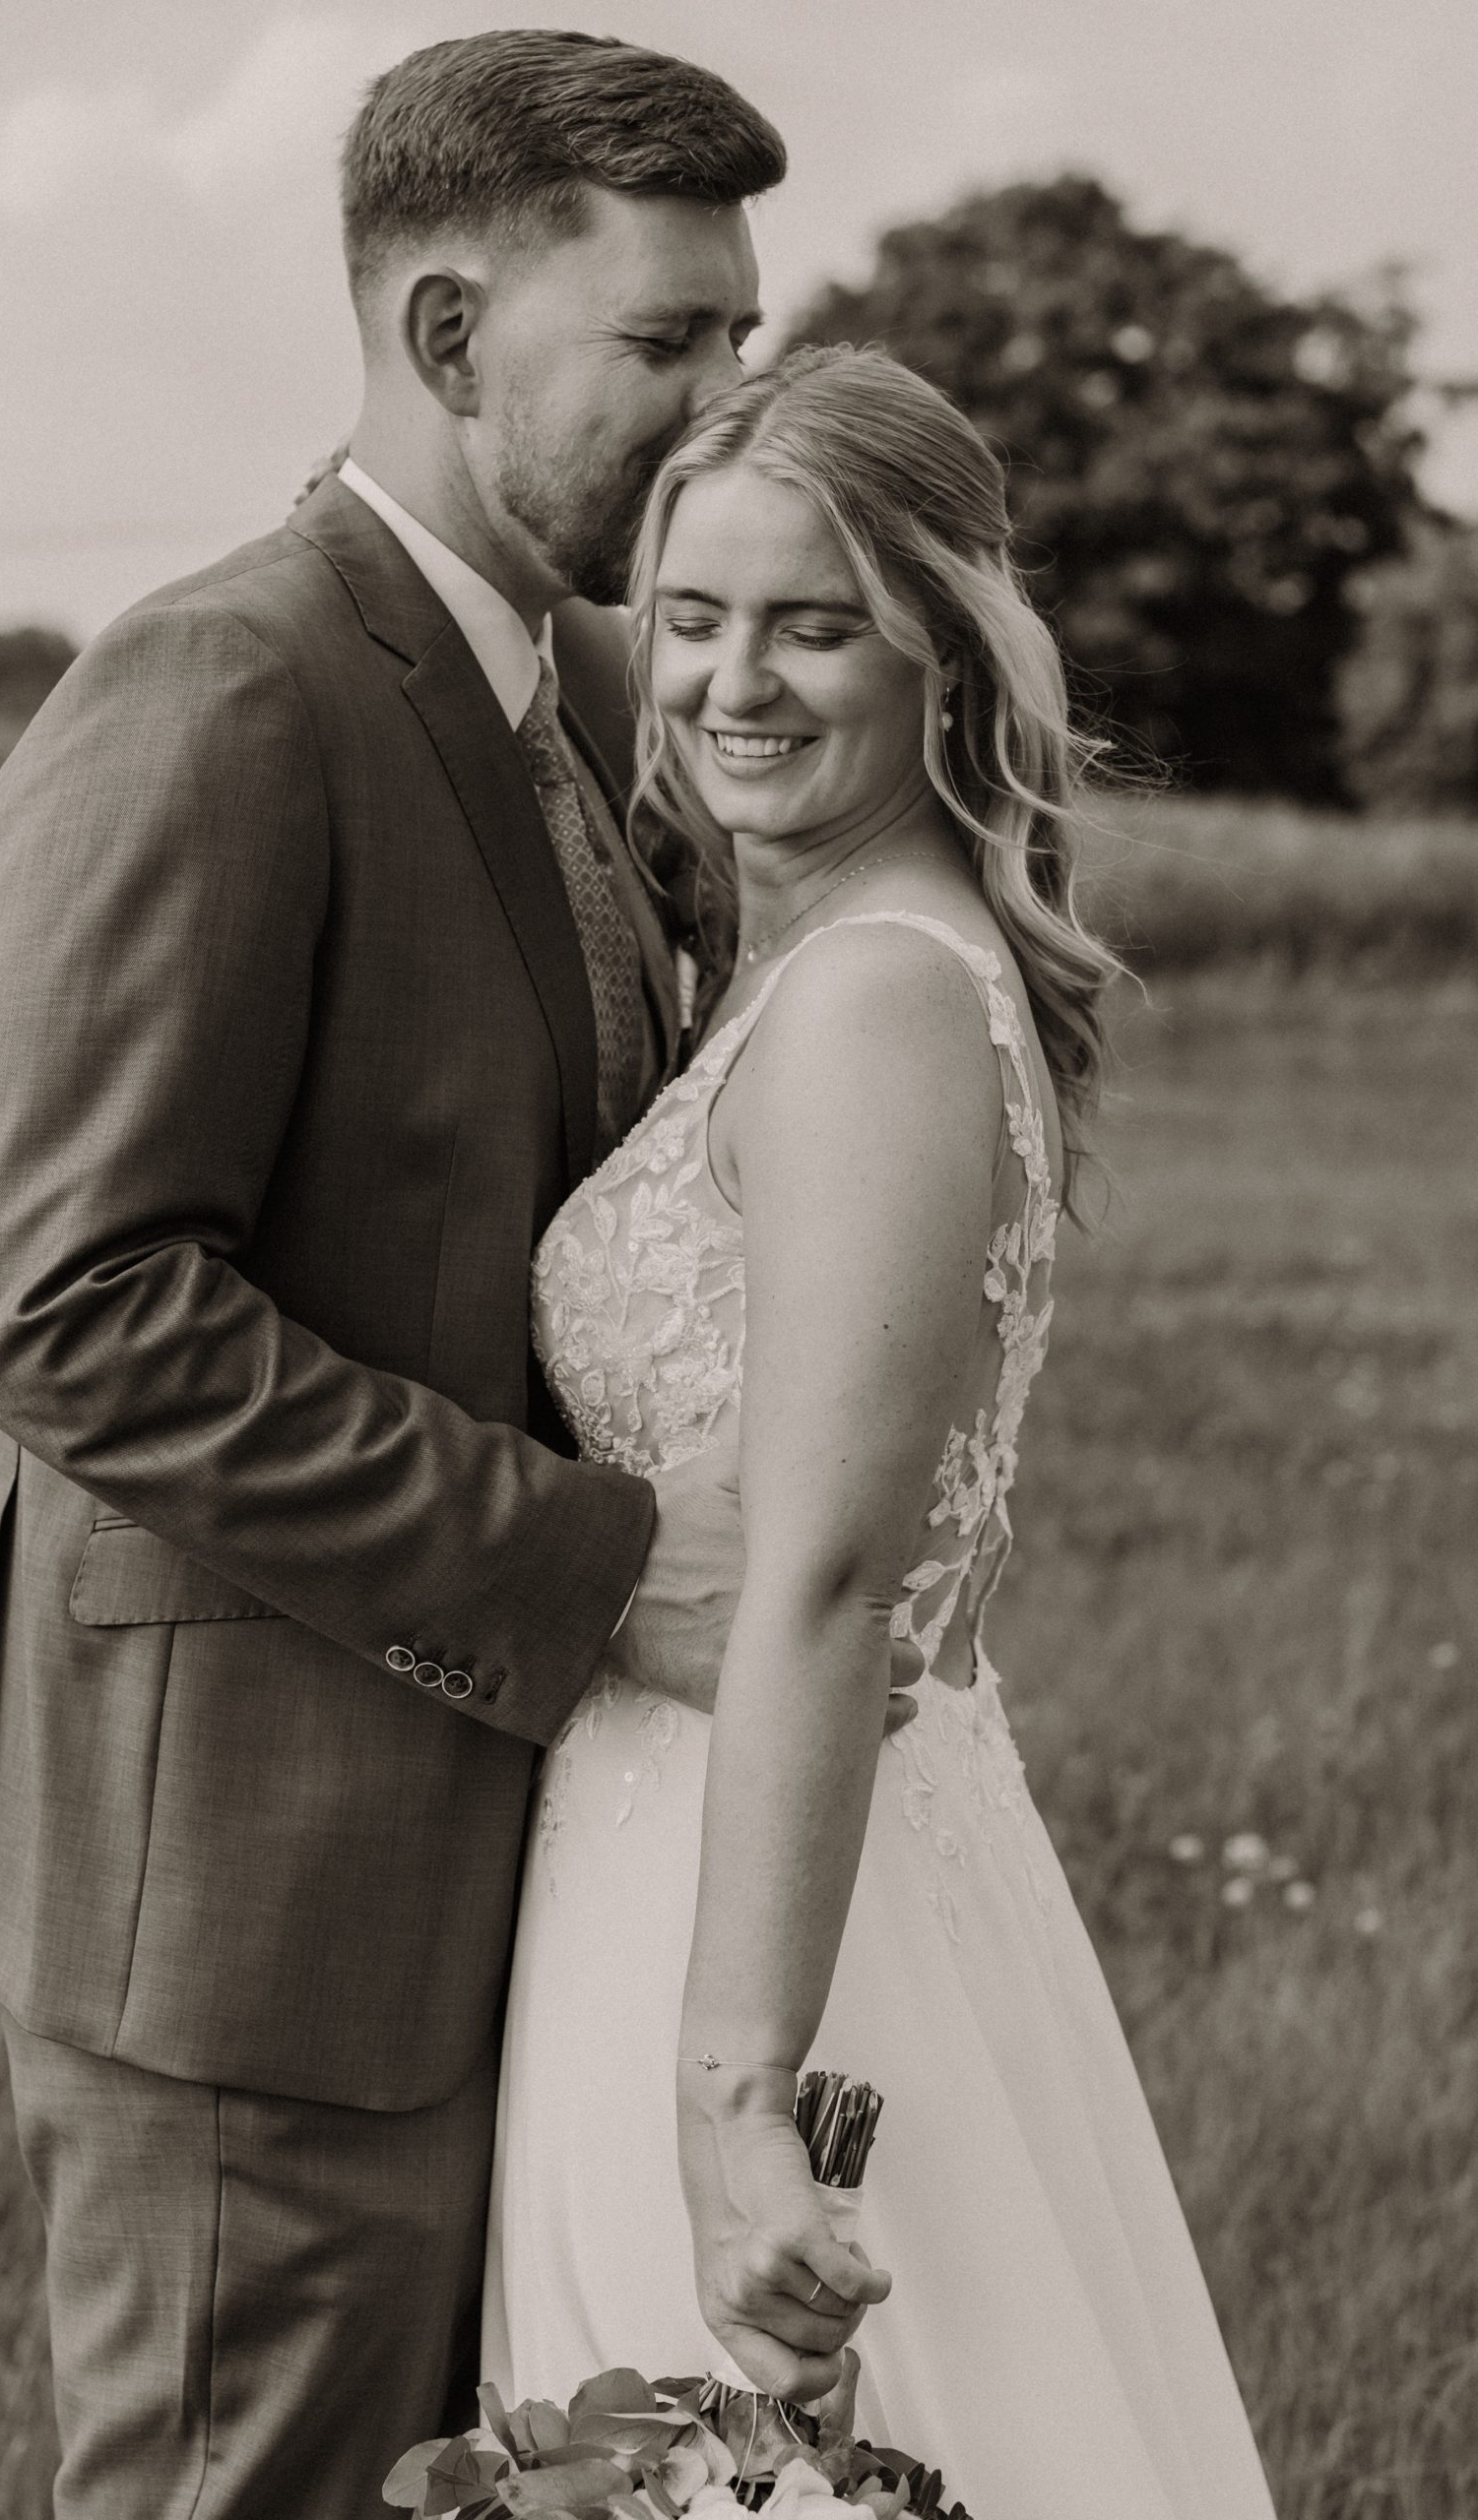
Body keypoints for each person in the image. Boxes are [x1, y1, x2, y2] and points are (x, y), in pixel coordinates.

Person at [0, 32, 812, 2520]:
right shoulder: (218, 689)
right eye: (664, 343)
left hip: (496, 1865)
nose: (726, 404)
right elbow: (71, 1303)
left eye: (743, 337)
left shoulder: (585, 689)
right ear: (445, 334)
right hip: (249, 1907)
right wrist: (596, 1561)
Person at [484, 346, 1280, 2520]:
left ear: (944, 646)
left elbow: (824, 1580)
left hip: (760, 1912)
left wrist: (739, 2099)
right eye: (695, 615)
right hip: (696, 1842)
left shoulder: (872, 1002)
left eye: (813, 625)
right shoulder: (824, 960)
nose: (732, 681)